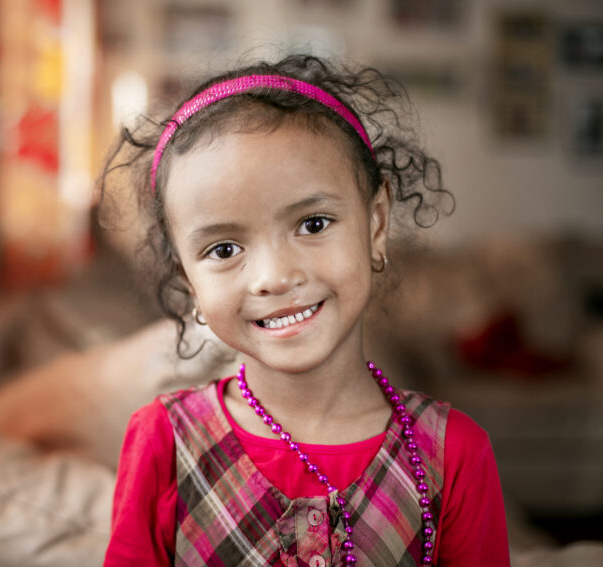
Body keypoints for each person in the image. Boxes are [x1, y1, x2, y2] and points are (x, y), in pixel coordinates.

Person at [100, 54, 510, 566]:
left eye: (313, 224)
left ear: (376, 225)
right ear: (189, 280)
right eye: (224, 250)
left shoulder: (453, 454)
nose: (274, 277)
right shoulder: (164, 443)